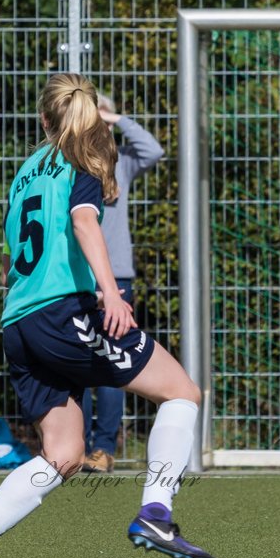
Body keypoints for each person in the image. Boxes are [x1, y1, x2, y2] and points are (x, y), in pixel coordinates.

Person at [0, 73, 217, 558]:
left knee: (63, 453)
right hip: (62, 312)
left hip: (18, 322)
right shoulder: (84, 159)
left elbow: (15, 250)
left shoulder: (25, 171)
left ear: (44, 120)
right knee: (182, 391)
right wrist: (111, 294)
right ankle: (157, 510)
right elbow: (85, 222)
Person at [78, 92, 165, 473]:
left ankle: (103, 448)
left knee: (111, 364)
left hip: (118, 279)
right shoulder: (71, 163)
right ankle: (74, 447)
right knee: (76, 365)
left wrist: (115, 119)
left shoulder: (121, 163)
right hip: (77, 278)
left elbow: (154, 150)